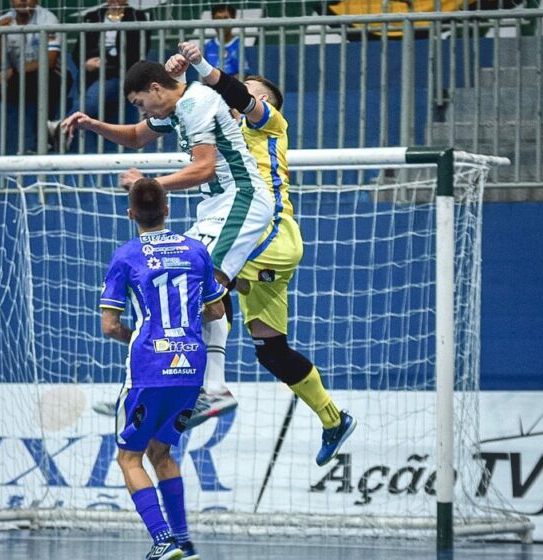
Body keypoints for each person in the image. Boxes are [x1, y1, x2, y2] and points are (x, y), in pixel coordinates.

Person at [164, 42, 356, 467]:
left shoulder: (269, 123)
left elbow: (232, 94)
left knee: (202, 279)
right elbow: (171, 114)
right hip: (261, 243)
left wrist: (202, 66)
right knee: (271, 350)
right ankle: (333, 418)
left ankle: (205, 389)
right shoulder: (222, 133)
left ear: (261, 99)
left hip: (268, 232)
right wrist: (173, 77)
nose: (229, 95)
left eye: (244, 90)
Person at [62, 59, 276, 425]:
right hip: (215, 206)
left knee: (196, 284)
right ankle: (169, 388)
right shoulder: (177, 109)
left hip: (241, 200)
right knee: (174, 281)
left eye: (140, 102)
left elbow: (204, 168)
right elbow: (134, 136)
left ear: (156, 89)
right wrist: (92, 124)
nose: (141, 110)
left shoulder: (196, 103)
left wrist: (148, 186)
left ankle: (215, 390)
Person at [101, 177, 226, 560]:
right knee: (162, 453)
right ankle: (184, 542)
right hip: (191, 365)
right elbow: (217, 310)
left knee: (128, 457)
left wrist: (140, 336)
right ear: (168, 209)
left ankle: (162, 539)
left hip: (150, 367)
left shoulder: (125, 256)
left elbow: (109, 326)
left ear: (131, 214)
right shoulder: (196, 251)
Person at [0, 0, 72, 154]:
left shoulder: (48, 19)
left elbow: (49, 61)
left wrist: (15, 71)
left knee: (47, 79)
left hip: (50, 76)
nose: (23, 0)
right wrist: (1, 35)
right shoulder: (3, 21)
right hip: (16, 78)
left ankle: (44, 141)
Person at [74, 0, 149, 133]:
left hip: (119, 72)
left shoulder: (138, 16)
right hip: (91, 71)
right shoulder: (92, 16)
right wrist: (87, 62)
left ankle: (62, 126)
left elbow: (136, 53)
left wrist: (107, 62)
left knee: (94, 97)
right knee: (83, 94)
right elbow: (77, 51)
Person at [204, 3, 248, 76]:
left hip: (233, 85)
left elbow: (245, 73)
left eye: (225, 18)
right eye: (218, 19)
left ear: (233, 19)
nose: (222, 23)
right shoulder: (208, 46)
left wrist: (226, 83)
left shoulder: (239, 45)